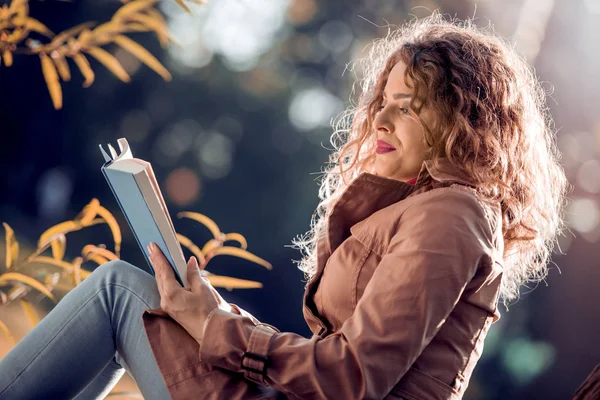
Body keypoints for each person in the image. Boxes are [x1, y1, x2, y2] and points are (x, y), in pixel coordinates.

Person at [0, 13, 568, 400]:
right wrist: (216, 316)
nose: (383, 121)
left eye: (412, 108)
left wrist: (217, 326)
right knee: (129, 297)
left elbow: (354, 375)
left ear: (464, 125)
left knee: (119, 292)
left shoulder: (452, 214)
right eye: (385, 103)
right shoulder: (427, 207)